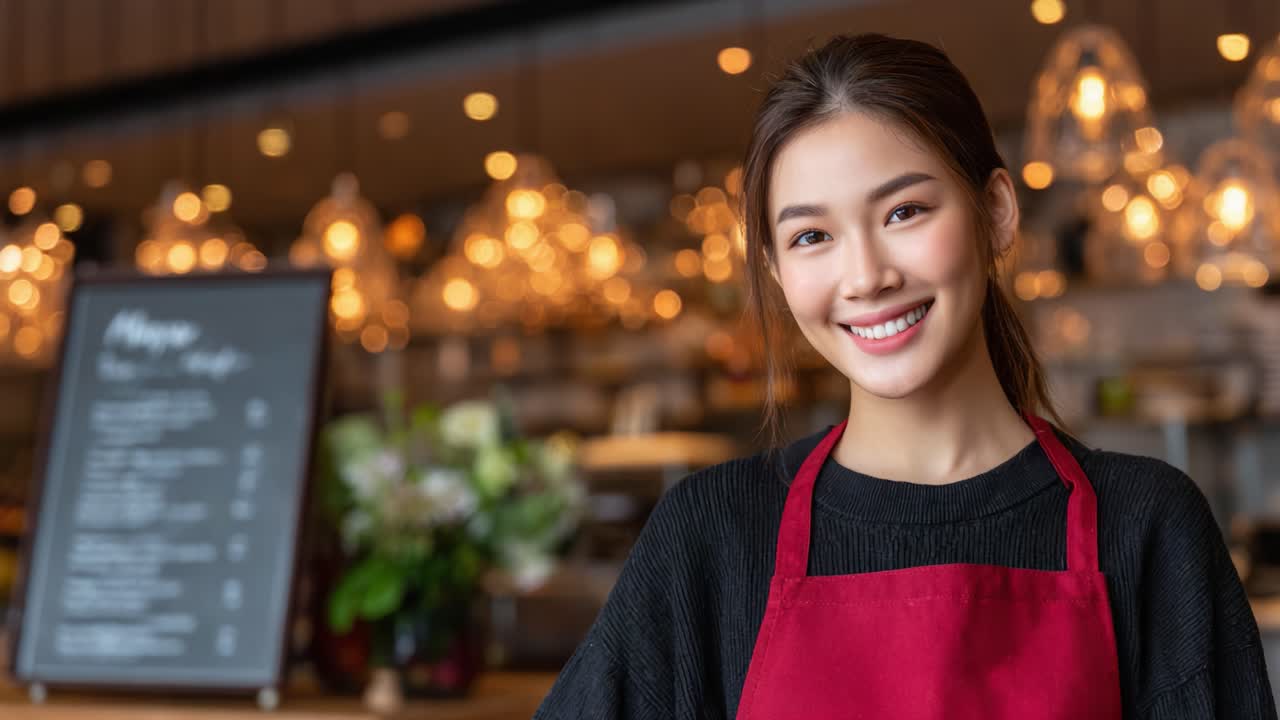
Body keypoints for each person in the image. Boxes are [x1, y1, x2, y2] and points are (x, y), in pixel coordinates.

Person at [534, 33, 1276, 719]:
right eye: (812, 236)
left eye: (904, 211)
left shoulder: (1146, 525)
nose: (865, 276)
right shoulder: (713, 537)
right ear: (776, 271)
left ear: (997, 213)